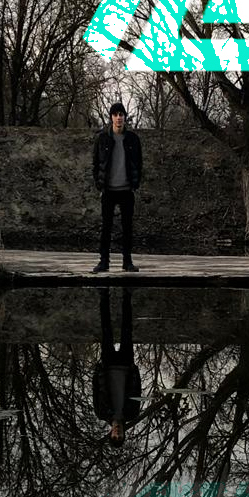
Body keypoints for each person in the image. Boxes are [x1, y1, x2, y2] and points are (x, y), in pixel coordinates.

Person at [92, 101, 142, 273]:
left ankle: (127, 262)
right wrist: (99, 185)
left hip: (126, 190)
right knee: (106, 228)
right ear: (111, 117)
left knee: (127, 228)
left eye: (121, 114)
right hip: (108, 190)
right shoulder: (102, 138)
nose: (119, 118)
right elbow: (96, 164)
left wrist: (135, 184)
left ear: (125, 117)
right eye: (115, 114)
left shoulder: (133, 139)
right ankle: (103, 262)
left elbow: (138, 163)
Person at [93, 286, 142, 445]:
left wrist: (97, 371)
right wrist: (135, 371)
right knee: (126, 329)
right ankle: (127, 294)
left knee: (106, 329)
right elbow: (137, 390)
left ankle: (104, 294)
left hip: (108, 366)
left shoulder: (101, 412)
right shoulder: (132, 413)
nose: (117, 434)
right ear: (124, 435)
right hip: (126, 366)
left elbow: (96, 390)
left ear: (110, 434)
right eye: (120, 437)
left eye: (114, 437)